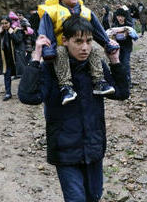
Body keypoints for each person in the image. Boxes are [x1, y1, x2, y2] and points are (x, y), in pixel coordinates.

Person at [18, 15, 129, 202]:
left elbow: (121, 93)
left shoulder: (96, 69)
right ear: (65, 41)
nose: (85, 47)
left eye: (89, 41)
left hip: (93, 148)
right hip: (65, 151)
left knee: (94, 197)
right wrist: (36, 58)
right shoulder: (51, 70)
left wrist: (115, 61)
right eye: (78, 41)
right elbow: (28, 96)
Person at [37, 0, 118, 105]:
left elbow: (98, 30)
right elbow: (46, 32)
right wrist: (48, 51)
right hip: (61, 47)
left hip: (81, 46)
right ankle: (66, 87)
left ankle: (99, 81)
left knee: (95, 51)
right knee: (61, 52)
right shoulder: (51, 12)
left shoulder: (85, 11)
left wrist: (107, 43)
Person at [0, 16, 23, 101]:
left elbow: (18, 40)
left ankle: (22, 93)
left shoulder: (17, 30)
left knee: (20, 75)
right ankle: (8, 93)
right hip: (5, 59)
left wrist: (11, 32)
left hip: (16, 58)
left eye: (6, 23)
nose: (4, 25)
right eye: (2, 23)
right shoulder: (1, 32)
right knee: (6, 75)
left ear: (10, 23)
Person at [109, 8, 138, 88]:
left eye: (121, 16)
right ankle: (119, 81)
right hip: (117, 48)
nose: (120, 18)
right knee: (118, 64)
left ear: (125, 17)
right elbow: (111, 37)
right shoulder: (114, 26)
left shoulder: (128, 25)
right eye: (118, 16)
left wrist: (127, 34)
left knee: (125, 63)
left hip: (127, 47)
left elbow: (133, 35)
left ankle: (128, 82)